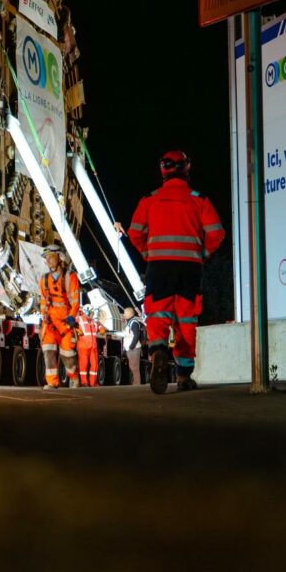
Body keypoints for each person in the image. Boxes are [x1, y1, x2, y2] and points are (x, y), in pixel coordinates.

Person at [127, 151, 225, 394]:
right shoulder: (199, 199)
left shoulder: (150, 199)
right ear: (186, 169)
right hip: (189, 268)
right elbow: (217, 233)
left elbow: (134, 231)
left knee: (158, 315)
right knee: (186, 320)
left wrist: (147, 253)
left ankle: (159, 350)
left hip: (159, 267)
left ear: (163, 171)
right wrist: (202, 254)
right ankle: (183, 377)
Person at [38, 243, 81, 389]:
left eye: (51, 256)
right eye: (46, 257)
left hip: (65, 322)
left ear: (60, 257)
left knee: (67, 354)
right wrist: (44, 315)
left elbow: (75, 301)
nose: (48, 260)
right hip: (50, 323)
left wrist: (71, 317)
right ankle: (52, 381)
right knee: (48, 351)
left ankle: (74, 377)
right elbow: (43, 300)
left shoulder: (70, 277)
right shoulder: (44, 280)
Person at [75, 308, 104, 387]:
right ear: (87, 312)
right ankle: (84, 382)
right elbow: (72, 324)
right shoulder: (79, 319)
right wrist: (77, 330)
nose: (93, 314)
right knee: (83, 365)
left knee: (94, 365)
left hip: (93, 347)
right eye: (92, 313)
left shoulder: (93, 322)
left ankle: (93, 383)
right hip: (83, 346)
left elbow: (99, 327)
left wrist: (101, 328)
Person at [122, 307, 146, 385]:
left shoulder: (134, 323)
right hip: (131, 349)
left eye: (125, 313)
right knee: (132, 366)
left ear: (130, 313)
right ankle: (135, 382)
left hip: (134, 348)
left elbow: (136, 335)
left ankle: (137, 383)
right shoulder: (130, 323)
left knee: (135, 367)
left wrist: (131, 346)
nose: (124, 314)